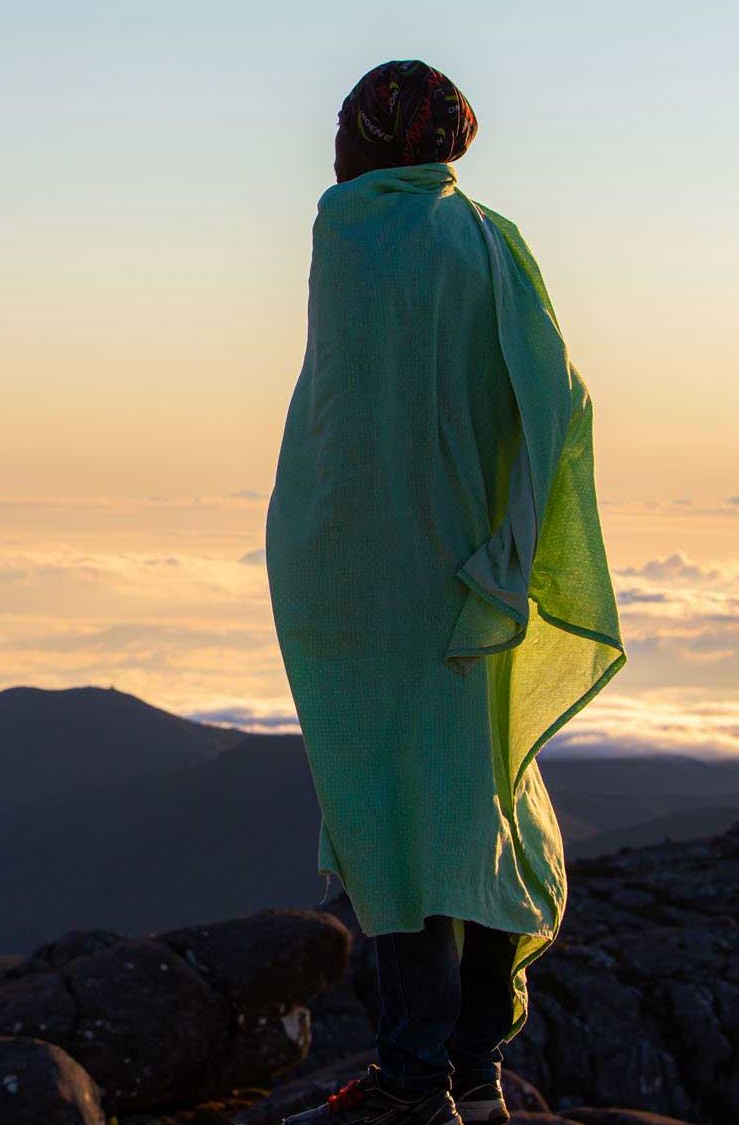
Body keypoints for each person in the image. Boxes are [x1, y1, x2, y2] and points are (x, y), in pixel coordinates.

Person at [264, 61, 627, 1125]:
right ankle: (471, 1075)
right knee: (473, 811)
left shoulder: (352, 229)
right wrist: (512, 545)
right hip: (471, 579)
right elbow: (557, 393)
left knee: (391, 824)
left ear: (373, 140)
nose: (330, 150)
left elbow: (348, 421)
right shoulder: (489, 240)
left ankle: (414, 1085)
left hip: (364, 583)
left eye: (341, 128)